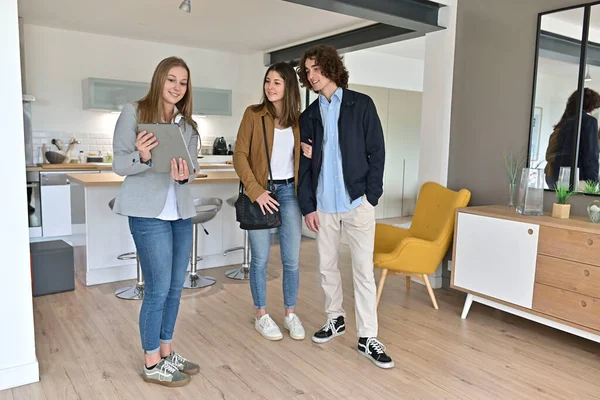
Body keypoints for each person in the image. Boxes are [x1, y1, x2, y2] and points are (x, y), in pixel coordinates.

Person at [296, 45, 394, 369]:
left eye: (315, 68)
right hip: (323, 206)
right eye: (306, 71)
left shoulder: (361, 105)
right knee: (326, 267)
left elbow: (377, 153)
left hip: (357, 203)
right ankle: (334, 319)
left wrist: (371, 197)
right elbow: (306, 166)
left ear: (330, 67)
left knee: (363, 270)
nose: (311, 75)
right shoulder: (308, 117)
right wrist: (307, 206)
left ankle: (368, 336)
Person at [112, 56, 200, 387]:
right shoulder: (134, 113)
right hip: (148, 215)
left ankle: (166, 351)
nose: (178, 87)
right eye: (172, 80)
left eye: (183, 82)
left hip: (179, 212)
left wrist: (183, 177)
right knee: (158, 288)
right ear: (159, 79)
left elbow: (189, 171)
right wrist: (143, 156)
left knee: (175, 288)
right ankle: (151, 361)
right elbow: (120, 164)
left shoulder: (188, 126)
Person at [233, 62, 305, 342]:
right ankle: (261, 315)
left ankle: (290, 313)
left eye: (277, 82)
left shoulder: (300, 121)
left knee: (292, 259)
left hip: (290, 194)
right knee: (260, 259)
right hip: (261, 192)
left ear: (288, 86)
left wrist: (309, 151)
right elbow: (240, 155)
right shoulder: (253, 115)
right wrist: (256, 191)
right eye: (267, 81)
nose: (270, 87)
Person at [545, 88, 600, 189]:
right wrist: (593, 181)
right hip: (579, 178)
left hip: (559, 176)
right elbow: (590, 154)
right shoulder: (588, 121)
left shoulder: (565, 124)